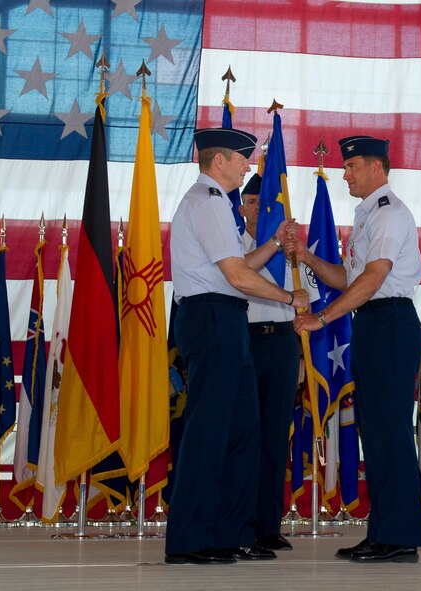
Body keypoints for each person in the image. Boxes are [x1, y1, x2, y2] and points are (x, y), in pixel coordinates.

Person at [165, 128, 308, 565]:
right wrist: (289, 298)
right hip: (211, 317)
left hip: (227, 320)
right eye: (242, 159)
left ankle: (229, 533)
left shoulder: (218, 205)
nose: (249, 166)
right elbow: (236, 276)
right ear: (219, 162)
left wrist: (270, 242)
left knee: (241, 431)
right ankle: (190, 539)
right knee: (209, 431)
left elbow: (241, 263)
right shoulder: (207, 203)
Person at [290, 135, 421, 563]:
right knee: (377, 432)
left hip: (390, 322)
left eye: (352, 167)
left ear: (377, 169)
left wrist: (323, 319)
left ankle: (399, 536)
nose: (345, 173)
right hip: (373, 323)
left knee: (392, 432)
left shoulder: (389, 214)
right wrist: (308, 260)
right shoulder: (367, 215)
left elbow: (374, 277)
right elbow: (348, 278)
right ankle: (384, 532)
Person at [238, 174, 303, 551]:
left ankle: (268, 526)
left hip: (280, 342)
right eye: (250, 202)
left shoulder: (291, 251)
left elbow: (305, 294)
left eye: (264, 204)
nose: (257, 210)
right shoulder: (233, 244)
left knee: (276, 438)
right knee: (245, 436)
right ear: (242, 206)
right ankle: (242, 525)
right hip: (245, 342)